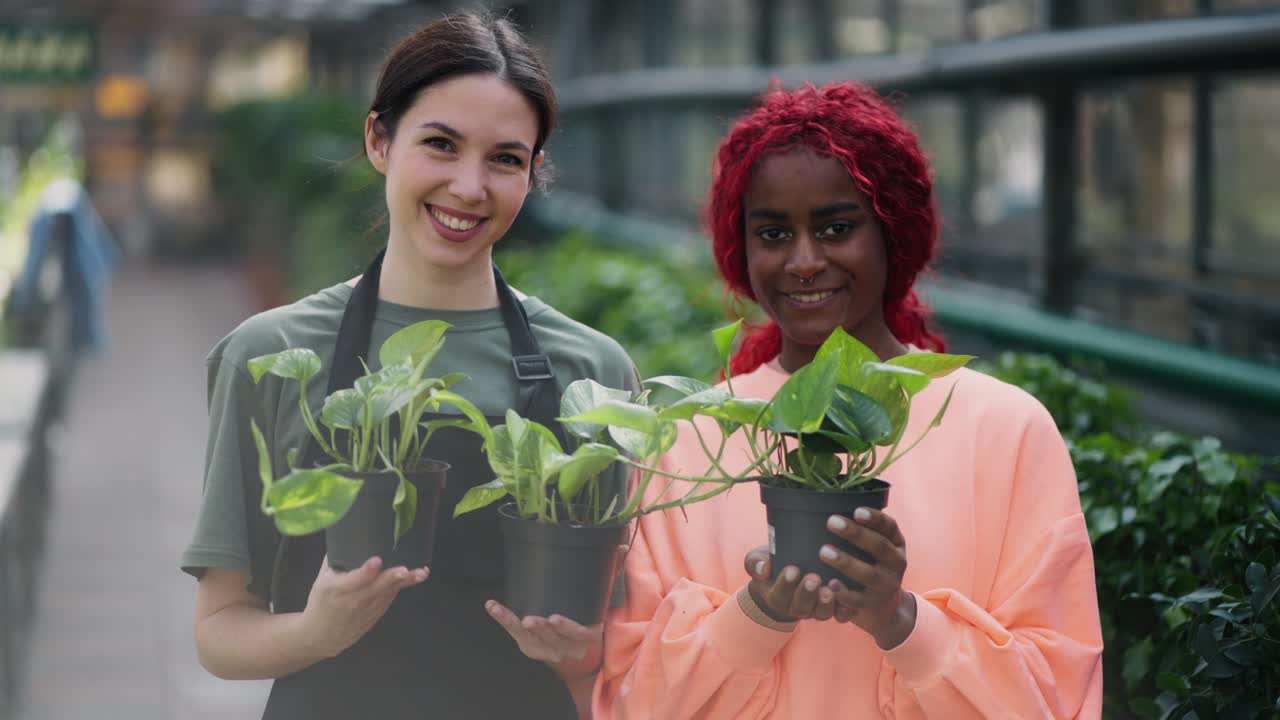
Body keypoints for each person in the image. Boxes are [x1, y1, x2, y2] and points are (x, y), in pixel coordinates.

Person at [594, 82, 1104, 719]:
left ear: (894, 234)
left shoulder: (1004, 430)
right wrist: (760, 612)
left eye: (837, 228)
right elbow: (631, 701)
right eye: (774, 233)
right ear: (740, 247)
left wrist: (899, 617)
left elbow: (1059, 698)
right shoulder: (692, 438)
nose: (804, 261)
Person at [181, 13, 635, 719]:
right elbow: (219, 631)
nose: (469, 186)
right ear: (378, 141)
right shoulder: (268, 357)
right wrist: (315, 630)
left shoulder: (591, 371)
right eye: (441, 144)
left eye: (506, 159)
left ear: (534, 175)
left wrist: (576, 651)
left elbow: (624, 639)